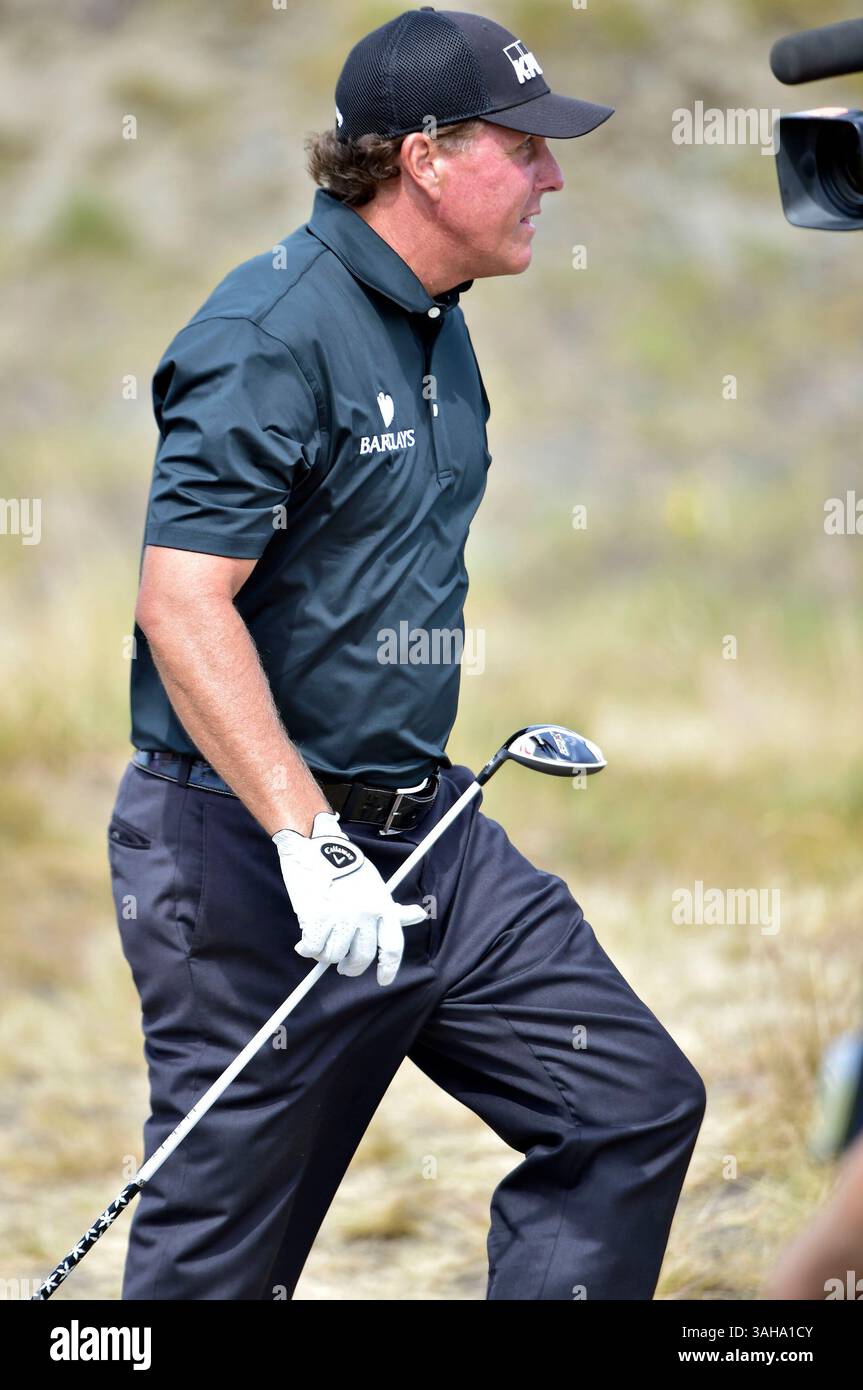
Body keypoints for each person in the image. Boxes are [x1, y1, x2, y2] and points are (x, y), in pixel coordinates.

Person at [109, 6, 706, 1300]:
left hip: (429, 834)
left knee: (630, 1107)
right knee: (216, 1274)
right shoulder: (268, 336)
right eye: (525, 146)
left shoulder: (439, 314)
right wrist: (309, 840)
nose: (554, 174)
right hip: (251, 858)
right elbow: (181, 603)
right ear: (422, 157)